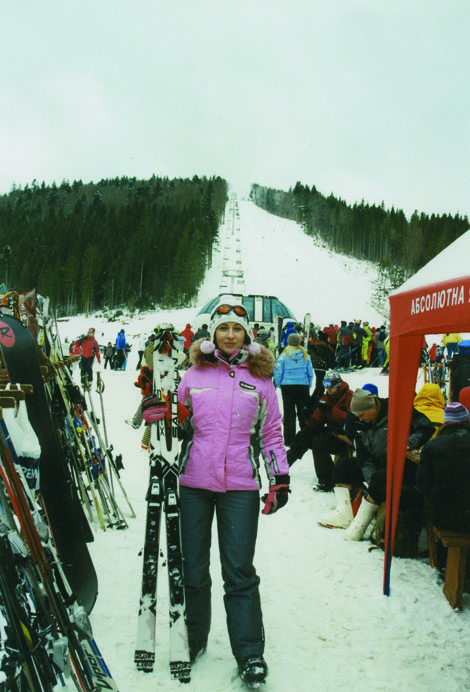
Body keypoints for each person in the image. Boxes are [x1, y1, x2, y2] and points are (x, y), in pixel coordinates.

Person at [177, 299, 289, 687]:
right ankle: (193, 638)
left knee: (239, 571)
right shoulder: (193, 374)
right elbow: (176, 423)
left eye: (236, 329)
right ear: (212, 335)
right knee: (193, 568)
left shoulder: (260, 380)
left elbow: (271, 433)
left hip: (240, 485)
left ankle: (250, 653)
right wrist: (160, 417)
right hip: (193, 483)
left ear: (247, 335)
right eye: (222, 329)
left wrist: (279, 479)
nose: (229, 335)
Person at [318, 388, 434, 540]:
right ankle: (344, 514)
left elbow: (427, 427)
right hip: (377, 465)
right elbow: (364, 459)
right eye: (357, 416)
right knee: (342, 466)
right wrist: (372, 481)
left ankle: (361, 524)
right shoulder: (359, 422)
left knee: (380, 477)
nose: (360, 419)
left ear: (372, 408)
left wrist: (409, 443)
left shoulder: (395, 409)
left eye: (362, 415)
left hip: (401, 464)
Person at [287, 370, 353, 491]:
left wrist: (332, 411)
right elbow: (317, 424)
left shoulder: (348, 396)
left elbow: (351, 420)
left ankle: (327, 481)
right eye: (325, 384)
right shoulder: (326, 398)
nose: (328, 388)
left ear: (338, 384)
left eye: (331, 384)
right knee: (305, 434)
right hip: (332, 432)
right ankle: (286, 462)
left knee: (319, 442)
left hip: (345, 436)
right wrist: (308, 416)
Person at [417, 402, 470, 534]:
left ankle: (440, 549)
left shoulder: (431, 446)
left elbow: (422, 484)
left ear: (445, 423)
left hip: (444, 517)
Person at [273, 333, 313, 447]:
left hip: (287, 386)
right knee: (303, 412)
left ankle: (289, 439)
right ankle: (306, 438)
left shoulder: (284, 355)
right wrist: (308, 384)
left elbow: (278, 371)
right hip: (302, 385)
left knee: (289, 413)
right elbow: (310, 372)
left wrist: (279, 383)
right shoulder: (305, 355)